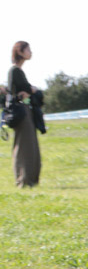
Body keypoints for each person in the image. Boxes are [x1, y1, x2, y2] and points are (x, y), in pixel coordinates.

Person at [8, 41, 41, 188]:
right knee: (24, 147)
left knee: (30, 146)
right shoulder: (15, 71)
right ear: (20, 52)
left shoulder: (19, 71)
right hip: (21, 112)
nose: (31, 52)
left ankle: (30, 179)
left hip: (25, 110)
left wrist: (30, 90)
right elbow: (25, 90)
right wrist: (31, 89)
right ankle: (24, 180)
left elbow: (27, 91)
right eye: (28, 49)